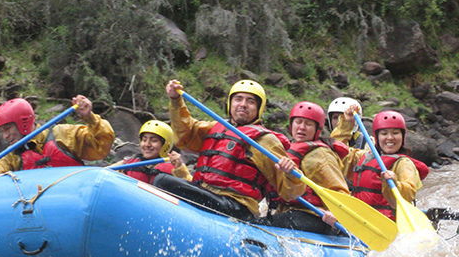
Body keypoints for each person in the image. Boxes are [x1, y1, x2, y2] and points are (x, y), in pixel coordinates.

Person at [154, 79, 305, 222]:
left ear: (259, 108)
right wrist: (176, 101)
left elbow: (290, 192)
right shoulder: (215, 127)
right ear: (230, 103)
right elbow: (185, 134)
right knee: (162, 179)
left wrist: (290, 173)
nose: (243, 104)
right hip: (208, 193)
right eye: (238, 99)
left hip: (236, 206)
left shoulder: (265, 141)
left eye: (250, 101)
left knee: (162, 181)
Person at [0, 95, 115, 180]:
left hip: (76, 197)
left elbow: (101, 145)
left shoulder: (62, 134)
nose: (5, 136)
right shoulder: (11, 155)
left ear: (22, 123)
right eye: (2, 131)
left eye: (7, 129)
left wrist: (89, 118)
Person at [268, 101, 351, 236]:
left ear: (317, 129)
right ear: (291, 125)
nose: (302, 127)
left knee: (264, 224)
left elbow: (340, 191)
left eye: (308, 124)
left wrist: (335, 213)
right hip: (288, 211)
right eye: (298, 122)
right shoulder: (285, 150)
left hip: (314, 215)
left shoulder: (321, 155)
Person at [335, 106, 429, 220]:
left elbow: (408, 194)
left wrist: (394, 183)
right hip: (360, 218)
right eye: (384, 133)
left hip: (387, 221)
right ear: (377, 137)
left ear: (403, 137)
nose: (390, 138)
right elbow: (337, 152)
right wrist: (346, 123)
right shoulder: (363, 157)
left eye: (395, 133)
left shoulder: (404, 164)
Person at [110, 120, 192, 183]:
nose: (147, 144)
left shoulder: (176, 168)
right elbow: (105, 173)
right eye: (144, 140)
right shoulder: (128, 163)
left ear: (165, 144)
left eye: (154, 140)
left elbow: (191, 187)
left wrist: (180, 169)